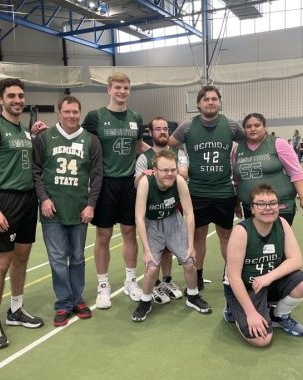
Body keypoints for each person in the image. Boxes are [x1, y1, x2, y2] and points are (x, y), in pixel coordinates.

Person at [0, 78, 44, 349]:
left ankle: (16, 310)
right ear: (0, 99)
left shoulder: (24, 132)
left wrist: (37, 134)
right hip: (5, 201)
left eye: (20, 95)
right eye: (11, 96)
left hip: (29, 201)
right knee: (0, 263)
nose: (17, 100)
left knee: (22, 258)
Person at [33, 95, 103, 326]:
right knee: (57, 260)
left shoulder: (90, 140)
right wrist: (43, 199)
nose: (72, 116)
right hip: (51, 212)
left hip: (79, 210)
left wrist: (91, 203)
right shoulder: (45, 137)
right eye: (67, 112)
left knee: (78, 257)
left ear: (79, 113)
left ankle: (77, 300)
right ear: (59, 113)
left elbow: (96, 175)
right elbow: (35, 172)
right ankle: (64, 303)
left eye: (75, 112)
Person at [81, 72, 149, 308]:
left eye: (126, 88)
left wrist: (160, 157)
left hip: (130, 183)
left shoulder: (136, 117)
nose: (122, 91)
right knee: (104, 236)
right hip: (105, 183)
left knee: (130, 233)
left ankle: (131, 281)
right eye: (118, 87)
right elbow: (80, 142)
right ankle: (103, 286)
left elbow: (139, 146)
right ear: (109, 90)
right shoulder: (95, 117)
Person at [169, 85, 245, 290]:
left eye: (214, 99)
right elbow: (170, 145)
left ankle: (230, 274)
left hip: (224, 190)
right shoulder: (187, 126)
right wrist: (180, 165)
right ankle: (199, 276)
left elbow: (248, 143)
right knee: (198, 236)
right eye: (206, 99)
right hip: (197, 192)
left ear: (219, 102)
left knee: (226, 235)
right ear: (198, 104)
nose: (210, 102)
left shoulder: (230, 125)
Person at [226, 184, 303, 346]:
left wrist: (267, 277)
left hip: (268, 282)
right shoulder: (241, 231)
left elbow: (296, 260)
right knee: (262, 340)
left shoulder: (282, 223)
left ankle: (278, 315)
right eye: (261, 204)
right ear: (252, 208)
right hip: (246, 287)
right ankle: (233, 309)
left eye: (272, 203)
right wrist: (250, 314)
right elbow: (233, 276)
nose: (268, 208)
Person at [133, 150, 212, 321]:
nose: (169, 174)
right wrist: (146, 251)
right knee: (152, 266)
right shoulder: (146, 183)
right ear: (155, 170)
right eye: (165, 170)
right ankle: (145, 301)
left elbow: (189, 214)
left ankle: (193, 296)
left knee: (189, 262)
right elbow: (139, 217)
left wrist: (191, 246)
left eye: (173, 169)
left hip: (173, 221)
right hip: (152, 225)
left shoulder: (180, 181)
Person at [134, 117, 188, 304]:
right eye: (158, 129)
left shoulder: (178, 152)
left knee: (168, 248)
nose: (163, 132)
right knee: (152, 251)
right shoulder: (144, 157)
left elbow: (183, 173)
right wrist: (144, 174)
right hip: (151, 208)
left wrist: (162, 172)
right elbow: (136, 183)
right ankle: (154, 283)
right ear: (151, 132)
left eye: (165, 128)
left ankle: (166, 280)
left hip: (173, 204)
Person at [232, 113, 303, 225]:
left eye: (257, 125)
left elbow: (296, 173)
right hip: (251, 208)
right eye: (248, 126)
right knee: (255, 241)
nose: (253, 129)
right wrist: (237, 203)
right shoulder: (237, 150)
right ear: (244, 130)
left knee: (277, 240)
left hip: (279, 207)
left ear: (265, 127)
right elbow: (236, 180)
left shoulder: (278, 144)